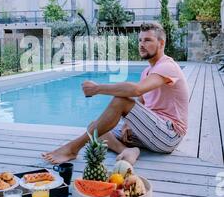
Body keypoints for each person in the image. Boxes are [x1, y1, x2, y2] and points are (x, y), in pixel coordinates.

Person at [42, 22, 189, 165]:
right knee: (95, 128)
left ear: (161, 43)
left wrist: (98, 89)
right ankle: (127, 150)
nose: (141, 44)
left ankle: (72, 149)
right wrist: (127, 124)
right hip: (151, 130)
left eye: (148, 40)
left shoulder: (168, 66)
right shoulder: (146, 72)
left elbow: (136, 90)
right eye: (140, 40)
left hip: (169, 135)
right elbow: (141, 102)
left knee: (121, 101)